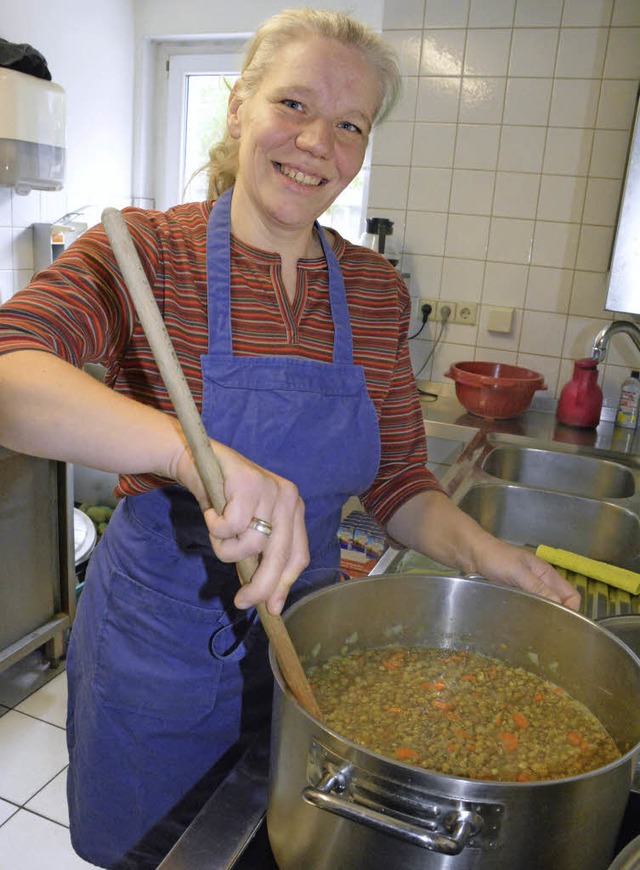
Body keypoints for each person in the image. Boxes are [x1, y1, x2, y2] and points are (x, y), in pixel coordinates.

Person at [0, 7, 580, 868]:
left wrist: (481, 551)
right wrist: (184, 452)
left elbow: (397, 487)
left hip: (306, 654)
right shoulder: (147, 254)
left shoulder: (375, 289)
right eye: (294, 104)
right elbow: (10, 375)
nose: (318, 142)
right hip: (153, 659)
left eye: (350, 124)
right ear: (239, 107)